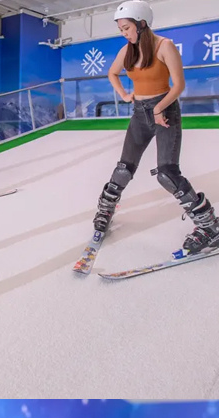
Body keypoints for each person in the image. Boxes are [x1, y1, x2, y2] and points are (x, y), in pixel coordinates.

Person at [93, 1, 218, 255]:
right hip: (139, 114)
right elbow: (112, 73)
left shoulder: (165, 46)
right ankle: (105, 210)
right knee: (123, 169)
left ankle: (210, 227)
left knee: (167, 173)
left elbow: (179, 85)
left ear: (141, 24)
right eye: (121, 29)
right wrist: (125, 95)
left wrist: (159, 108)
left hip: (166, 111)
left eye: (127, 28)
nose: (124, 33)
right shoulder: (127, 51)